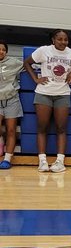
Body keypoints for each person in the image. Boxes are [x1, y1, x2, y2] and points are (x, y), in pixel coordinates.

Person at [24, 30, 71, 173]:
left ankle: (60, 161)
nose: (63, 42)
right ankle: (42, 161)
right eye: (60, 39)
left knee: (61, 128)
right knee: (42, 127)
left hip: (63, 93)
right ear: (53, 40)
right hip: (43, 93)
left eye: (66, 39)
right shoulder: (43, 51)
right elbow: (27, 63)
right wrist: (36, 79)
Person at [0, 41, 24, 170]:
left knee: (11, 130)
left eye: (3, 49)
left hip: (11, 100)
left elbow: (28, 66)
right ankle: (1, 141)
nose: (1, 51)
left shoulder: (14, 62)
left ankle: (7, 159)